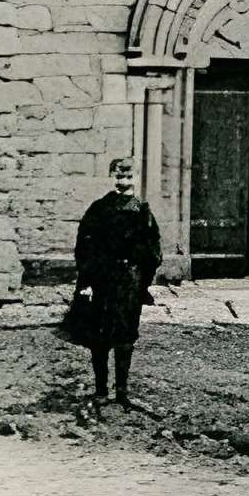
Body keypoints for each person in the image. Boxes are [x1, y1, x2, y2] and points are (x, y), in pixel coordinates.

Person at [72, 157, 163, 407]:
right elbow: (84, 245)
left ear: (136, 178)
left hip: (129, 282)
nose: (123, 181)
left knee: (125, 335)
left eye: (128, 176)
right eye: (118, 176)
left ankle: (122, 392)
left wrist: (142, 282)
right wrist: (87, 279)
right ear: (111, 177)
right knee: (99, 335)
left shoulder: (143, 212)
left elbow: (153, 251)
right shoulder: (99, 209)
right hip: (102, 279)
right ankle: (101, 390)